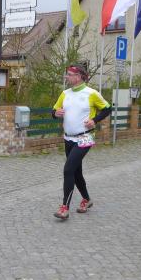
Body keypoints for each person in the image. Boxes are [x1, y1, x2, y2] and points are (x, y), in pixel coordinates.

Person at [52, 65, 112, 220]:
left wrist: (94, 120)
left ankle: (64, 208)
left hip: (85, 138)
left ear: (78, 76)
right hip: (68, 138)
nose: (66, 77)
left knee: (68, 170)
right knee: (75, 171)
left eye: (69, 75)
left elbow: (107, 108)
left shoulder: (91, 93)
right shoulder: (65, 93)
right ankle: (86, 199)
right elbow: (54, 111)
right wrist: (55, 113)